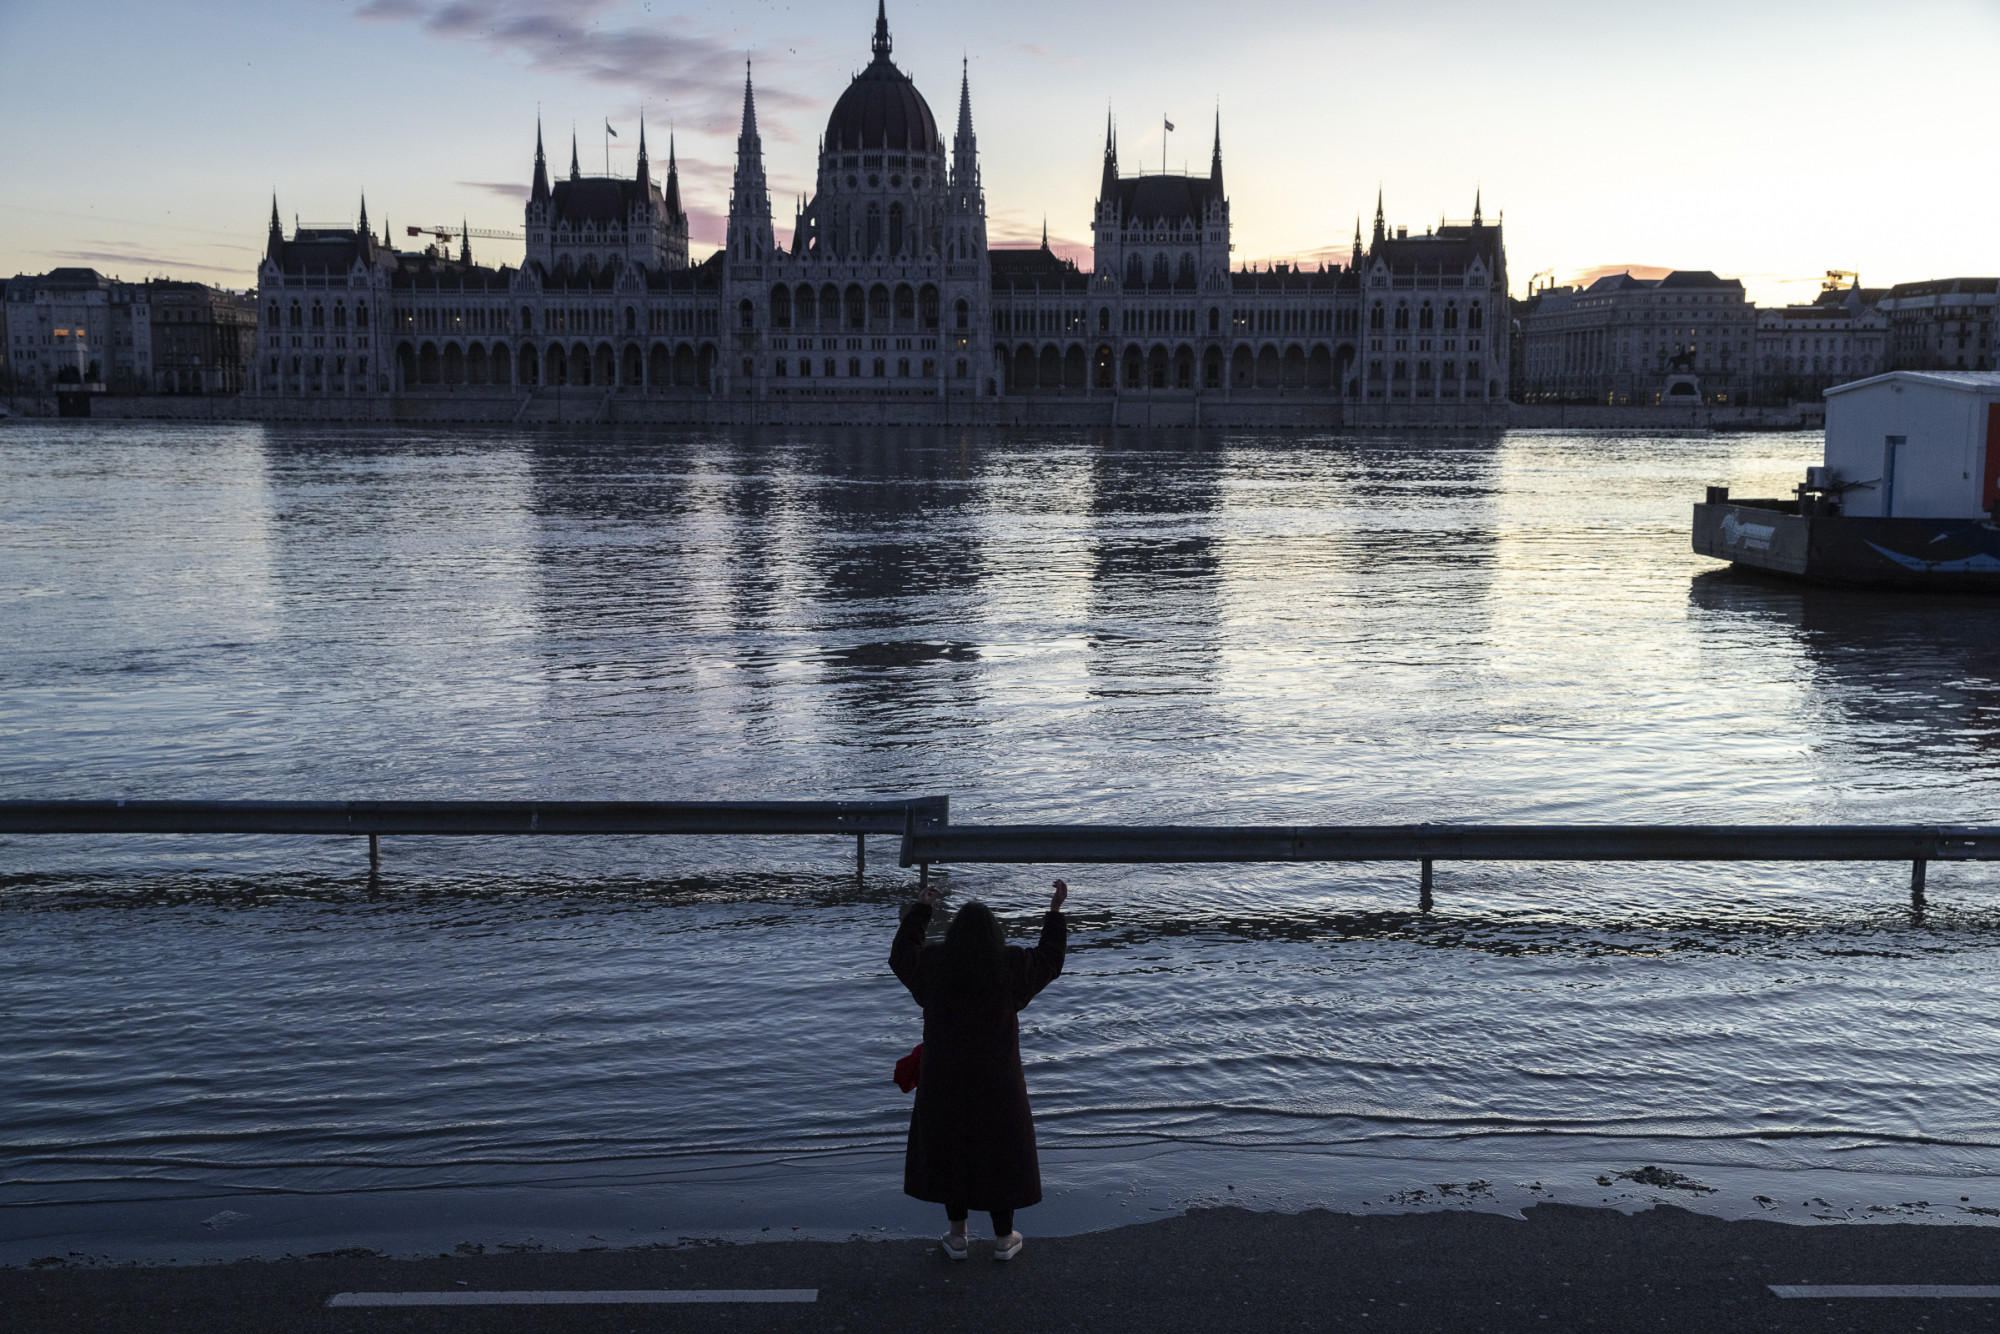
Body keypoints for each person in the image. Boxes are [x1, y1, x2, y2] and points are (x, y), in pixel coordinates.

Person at [890, 877, 1069, 1262]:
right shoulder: (1012, 965)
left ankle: (958, 1238)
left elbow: (901, 955)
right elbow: (1051, 958)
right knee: (999, 1151)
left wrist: (921, 910)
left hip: (944, 1077)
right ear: (995, 933)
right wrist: (1053, 913)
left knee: (951, 1148)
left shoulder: (934, 965)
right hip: (997, 1079)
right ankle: (1004, 1239)